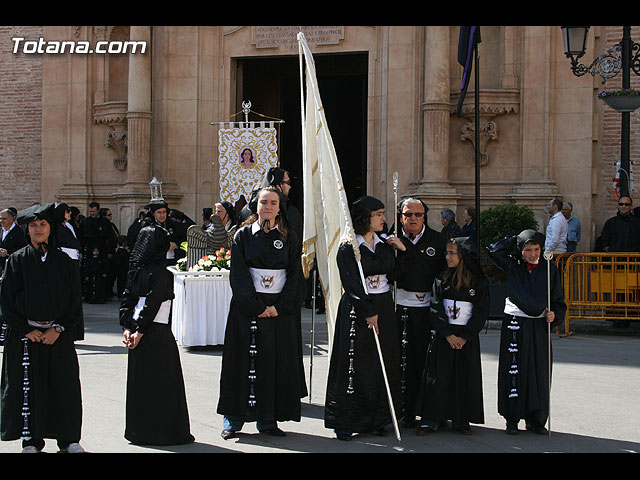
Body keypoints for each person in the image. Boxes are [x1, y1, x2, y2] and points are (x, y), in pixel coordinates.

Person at [217, 186, 304, 439]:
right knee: (240, 363)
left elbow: (294, 276)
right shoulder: (243, 236)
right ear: (256, 206)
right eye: (264, 202)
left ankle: (268, 420)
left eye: (273, 203)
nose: (268, 207)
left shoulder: (290, 237)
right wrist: (256, 306)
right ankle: (232, 420)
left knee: (273, 365)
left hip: (279, 311)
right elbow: (239, 275)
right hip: (247, 310)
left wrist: (279, 306)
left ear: (279, 208)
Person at [0, 203, 84, 453]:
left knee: (63, 387)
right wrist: (26, 329)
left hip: (56, 336)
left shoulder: (65, 262)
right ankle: (32, 441)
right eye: (34, 225)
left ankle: (68, 439)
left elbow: (73, 300)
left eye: (43, 224)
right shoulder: (17, 260)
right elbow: (5, 301)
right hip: (28, 337)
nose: (38, 229)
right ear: (27, 230)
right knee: (28, 390)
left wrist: (58, 329)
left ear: (51, 228)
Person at [324, 195, 402, 441]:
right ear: (364, 218)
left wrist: (403, 250)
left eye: (382, 213)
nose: (383, 218)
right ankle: (347, 420)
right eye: (378, 214)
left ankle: (377, 419)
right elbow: (352, 283)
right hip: (359, 309)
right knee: (356, 364)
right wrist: (369, 311)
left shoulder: (384, 244)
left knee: (383, 362)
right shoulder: (349, 248)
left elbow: (397, 274)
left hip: (384, 307)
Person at [119, 207, 194, 446]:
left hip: (140, 335)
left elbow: (128, 301)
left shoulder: (136, 270)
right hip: (155, 334)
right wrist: (136, 330)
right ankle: (166, 433)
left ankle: (141, 431)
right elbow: (150, 305)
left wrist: (129, 327)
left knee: (143, 385)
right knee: (162, 386)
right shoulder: (161, 272)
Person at [487, 229, 566, 435]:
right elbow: (493, 251)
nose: (532, 254)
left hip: (539, 325)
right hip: (516, 323)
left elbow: (558, 299)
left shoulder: (550, 269)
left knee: (539, 371)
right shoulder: (513, 265)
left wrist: (555, 315)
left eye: (536, 249)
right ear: (520, 251)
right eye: (527, 249)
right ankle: (511, 418)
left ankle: (536, 419)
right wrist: (516, 238)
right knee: (514, 370)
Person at [415, 236, 489, 436]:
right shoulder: (441, 279)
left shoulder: (478, 283)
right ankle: (432, 418)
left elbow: (481, 312)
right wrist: (447, 334)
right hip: (444, 336)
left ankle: (461, 419)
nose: (447, 257)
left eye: (452, 253)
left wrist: (465, 336)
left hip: (466, 339)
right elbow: (436, 308)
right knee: (438, 377)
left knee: (464, 377)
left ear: (463, 256)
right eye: (446, 253)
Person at [386, 198, 446, 428]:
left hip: (425, 309)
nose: (413, 218)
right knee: (399, 361)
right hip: (397, 307)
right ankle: (401, 410)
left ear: (425, 217)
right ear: (400, 216)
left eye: (418, 215)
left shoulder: (437, 241)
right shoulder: (390, 240)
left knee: (422, 362)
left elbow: (432, 270)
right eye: (408, 214)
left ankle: (426, 411)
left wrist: (407, 250)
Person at [53, 202, 85, 340]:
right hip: (64, 265)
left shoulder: (68, 225)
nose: (70, 213)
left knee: (75, 296)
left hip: (72, 263)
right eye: (67, 211)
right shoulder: (55, 227)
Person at [0, 207, 27, 274]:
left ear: (12, 219)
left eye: (4, 219)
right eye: (0, 218)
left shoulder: (19, 232)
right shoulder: (0, 230)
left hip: (11, 267)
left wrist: (8, 253)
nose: (1, 221)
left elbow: (23, 249)